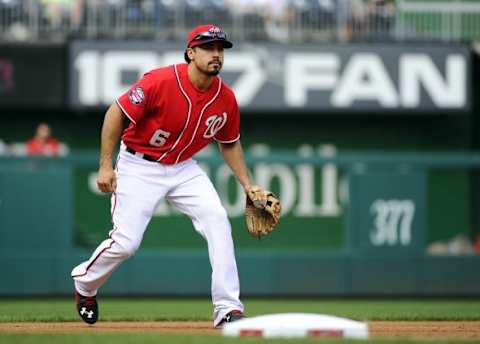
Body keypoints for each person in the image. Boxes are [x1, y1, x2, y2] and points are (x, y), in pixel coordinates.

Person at [71, 24, 266, 328]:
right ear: (191, 52)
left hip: (183, 167)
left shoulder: (225, 98)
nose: (216, 54)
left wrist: (248, 185)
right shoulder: (161, 81)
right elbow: (116, 113)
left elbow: (229, 143)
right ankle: (85, 284)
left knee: (217, 220)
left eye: (220, 49)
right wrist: (106, 165)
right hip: (139, 164)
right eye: (208, 48)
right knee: (126, 243)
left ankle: (227, 308)